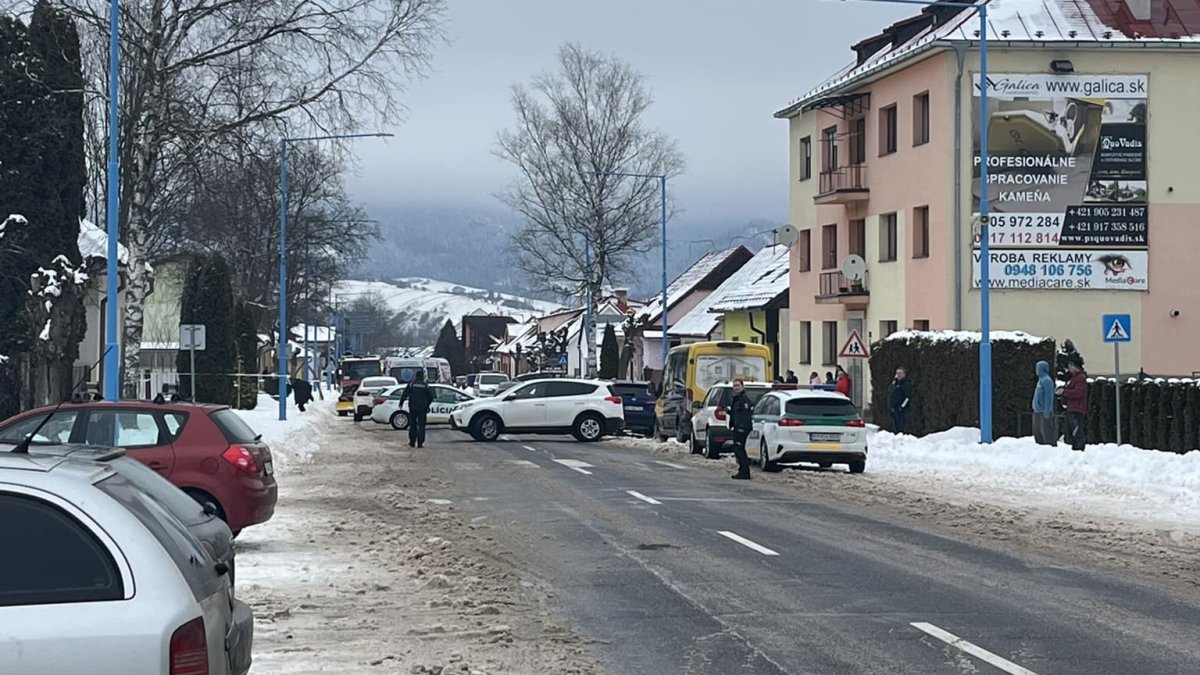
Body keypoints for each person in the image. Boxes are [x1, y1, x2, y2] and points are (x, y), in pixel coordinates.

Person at [1058, 356, 1088, 451]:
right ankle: (1076, 448)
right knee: (1072, 431)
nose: (1069, 368)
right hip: (1072, 408)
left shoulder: (1080, 378)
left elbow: (1078, 393)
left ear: (1076, 367)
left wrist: (1064, 392)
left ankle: (1079, 449)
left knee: (1076, 430)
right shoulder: (1074, 378)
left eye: (1071, 366)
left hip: (1076, 409)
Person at [399, 370, 434, 448]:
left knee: (413, 424)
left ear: (416, 376)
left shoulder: (411, 384)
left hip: (413, 407)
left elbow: (405, 393)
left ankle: (412, 442)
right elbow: (431, 397)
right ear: (422, 377)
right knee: (421, 425)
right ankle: (420, 443)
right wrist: (427, 404)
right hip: (422, 408)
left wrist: (401, 403)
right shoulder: (425, 385)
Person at [729, 379, 754, 480]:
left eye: (738, 385)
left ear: (743, 387)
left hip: (742, 428)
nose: (736, 388)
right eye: (734, 386)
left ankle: (745, 472)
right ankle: (742, 470)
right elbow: (736, 414)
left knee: (740, 450)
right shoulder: (737, 399)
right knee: (737, 450)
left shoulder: (744, 399)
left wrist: (741, 428)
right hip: (736, 427)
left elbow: (745, 415)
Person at [1031, 360, 1056, 445]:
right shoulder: (1040, 380)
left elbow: (1049, 397)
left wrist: (1047, 410)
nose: (1036, 370)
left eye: (1038, 368)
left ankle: (1050, 449)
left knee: (1046, 433)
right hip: (1037, 411)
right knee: (1038, 433)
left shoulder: (1047, 381)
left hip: (1044, 411)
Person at [887, 368, 912, 433]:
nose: (898, 375)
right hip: (893, 408)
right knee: (895, 425)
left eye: (900, 373)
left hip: (901, 409)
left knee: (901, 425)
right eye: (897, 373)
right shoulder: (895, 383)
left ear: (904, 374)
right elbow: (890, 391)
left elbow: (907, 397)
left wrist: (901, 407)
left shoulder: (905, 384)